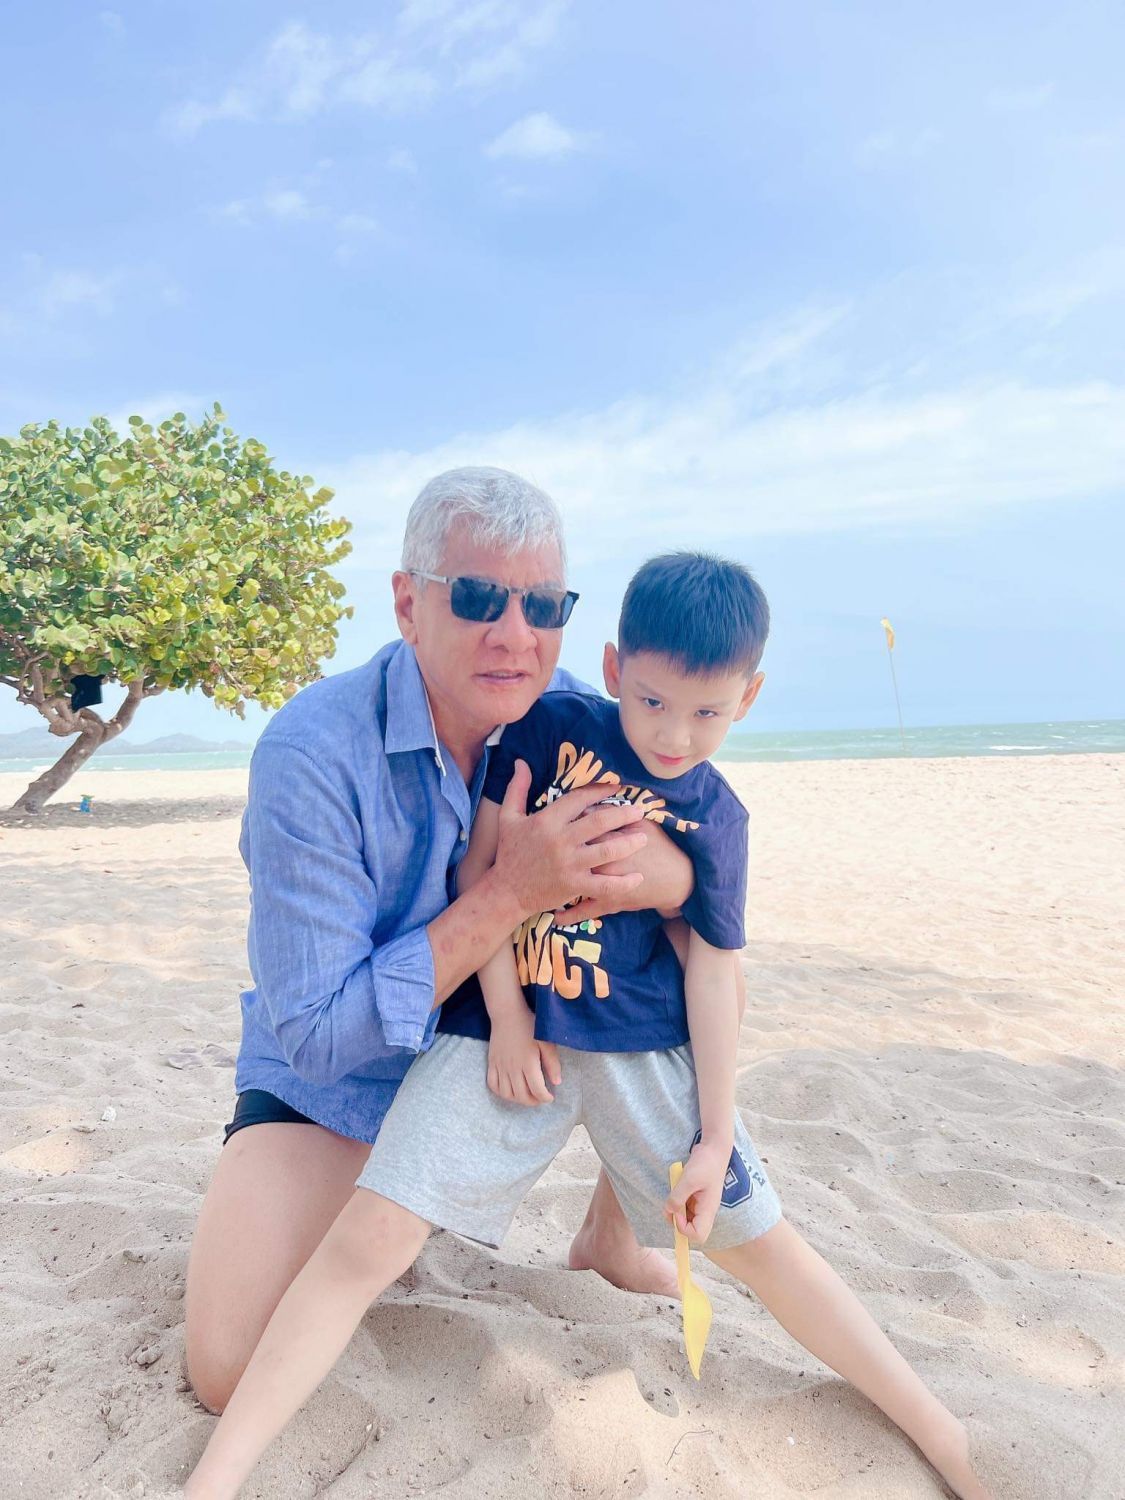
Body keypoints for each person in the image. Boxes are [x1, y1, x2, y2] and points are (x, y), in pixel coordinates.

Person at [184, 553, 992, 1500]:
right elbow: (482, 874)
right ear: (613, 670)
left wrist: (715, 1134)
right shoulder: (550, 724)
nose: (674, 734)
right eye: (650, 703)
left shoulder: (718, 817)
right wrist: (507, 1014)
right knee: (368, 1239)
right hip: (496, 1045)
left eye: (707, 712)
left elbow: (714, 969)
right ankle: (216, 1478)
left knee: (760, 1244)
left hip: (636, 1050)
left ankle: (942, 1435)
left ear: (748, 697)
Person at [184, 467, 697, 1414]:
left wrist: (654, 876)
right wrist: (509, 892)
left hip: (514, 1060)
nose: (514, 634)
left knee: (682, 960)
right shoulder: (311, 752)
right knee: (229, 1370)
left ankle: (612, 1231)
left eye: (543, 605)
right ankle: (374, 1204)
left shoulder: (577, 718)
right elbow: (320, 1039)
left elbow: (697, 874)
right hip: (346, 1086)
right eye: (476, 598)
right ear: (407, 604)